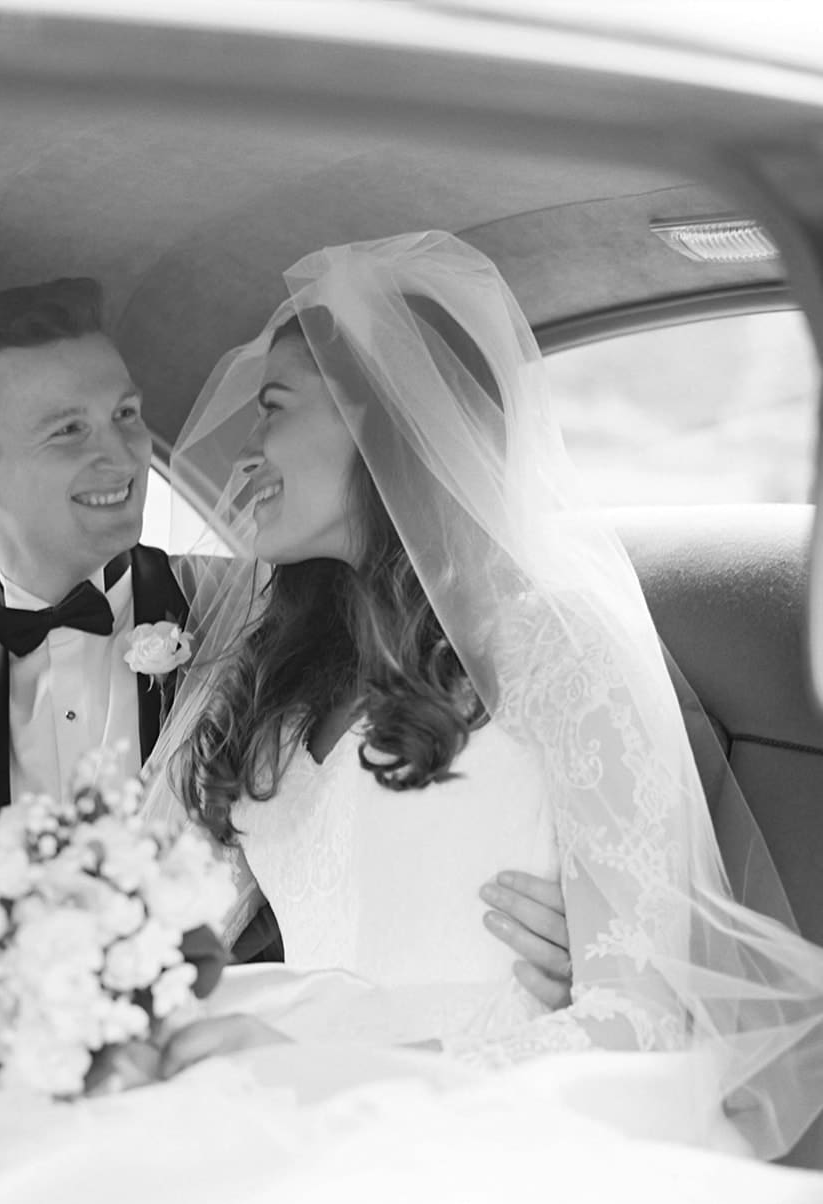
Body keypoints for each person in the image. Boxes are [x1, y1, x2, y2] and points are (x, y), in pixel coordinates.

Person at [124, 231, 823, 1161]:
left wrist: (326, 1076)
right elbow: (143, 941)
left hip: (497, 1122)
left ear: (382, 423)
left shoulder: (554, 645)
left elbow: (641, 1023)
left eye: (273, 409)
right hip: (293, 1105)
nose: (242, 455)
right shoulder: (266, 676)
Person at [0, 275, 573, 1020]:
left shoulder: (271, 609)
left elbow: (443, 785)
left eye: (125, 414)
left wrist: (593, 930)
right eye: (68, 430)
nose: (122, 454)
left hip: (254, 1046)